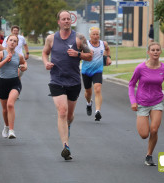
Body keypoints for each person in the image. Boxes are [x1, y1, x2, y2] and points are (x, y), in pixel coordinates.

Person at [42, 10, 93, 160]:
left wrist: (78, 54)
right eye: (63, 19)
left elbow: (90, 56)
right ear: (58, 22)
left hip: (74, 82)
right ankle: (65, 145)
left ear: (71, 21)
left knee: (69, 116)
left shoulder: (79, 38)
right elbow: (45, 53)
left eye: (68, 19)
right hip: (56, 80)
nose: (66, 21)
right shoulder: (51, 39)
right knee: (62, 112)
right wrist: (46, 63)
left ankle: (68, 126)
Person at [128, 42, 164, 166]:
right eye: (153, 50)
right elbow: (131, 84)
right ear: (148, 52)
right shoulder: (140, 68)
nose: (155, 52)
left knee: (154, 130)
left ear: (160, 52)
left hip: (157, 101)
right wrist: (133, 101)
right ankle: (148, 148)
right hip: (142, 102)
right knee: (144, 135)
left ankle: (149, 155)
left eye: (157, 50)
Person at [0, 34, 27, 139]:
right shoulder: (0, 54)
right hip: (2, 83)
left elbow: (24, 63)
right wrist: (5, 60)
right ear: (6, 42)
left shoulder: (19, 56)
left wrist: (24, 67)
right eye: (10, 40)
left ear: (16, 44)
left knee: (10, 104)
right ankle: (6, 126)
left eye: (14, 41)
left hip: (15, 82)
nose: (12, 42)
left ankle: (11, 130)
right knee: (5, 109)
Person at [81, 27, 111, 121]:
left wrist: (108, 57)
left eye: (97, 34)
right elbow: (81, 55)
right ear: (90, 36)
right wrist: (88, 55)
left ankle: (97, 111)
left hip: (97, 70)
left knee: (97, 89)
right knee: (88, 92)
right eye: (93, 34)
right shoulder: (86, 44)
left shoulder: (103, 43)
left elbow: (107, 49)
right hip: (86, 71)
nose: (95, 36)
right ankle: (89, 103)